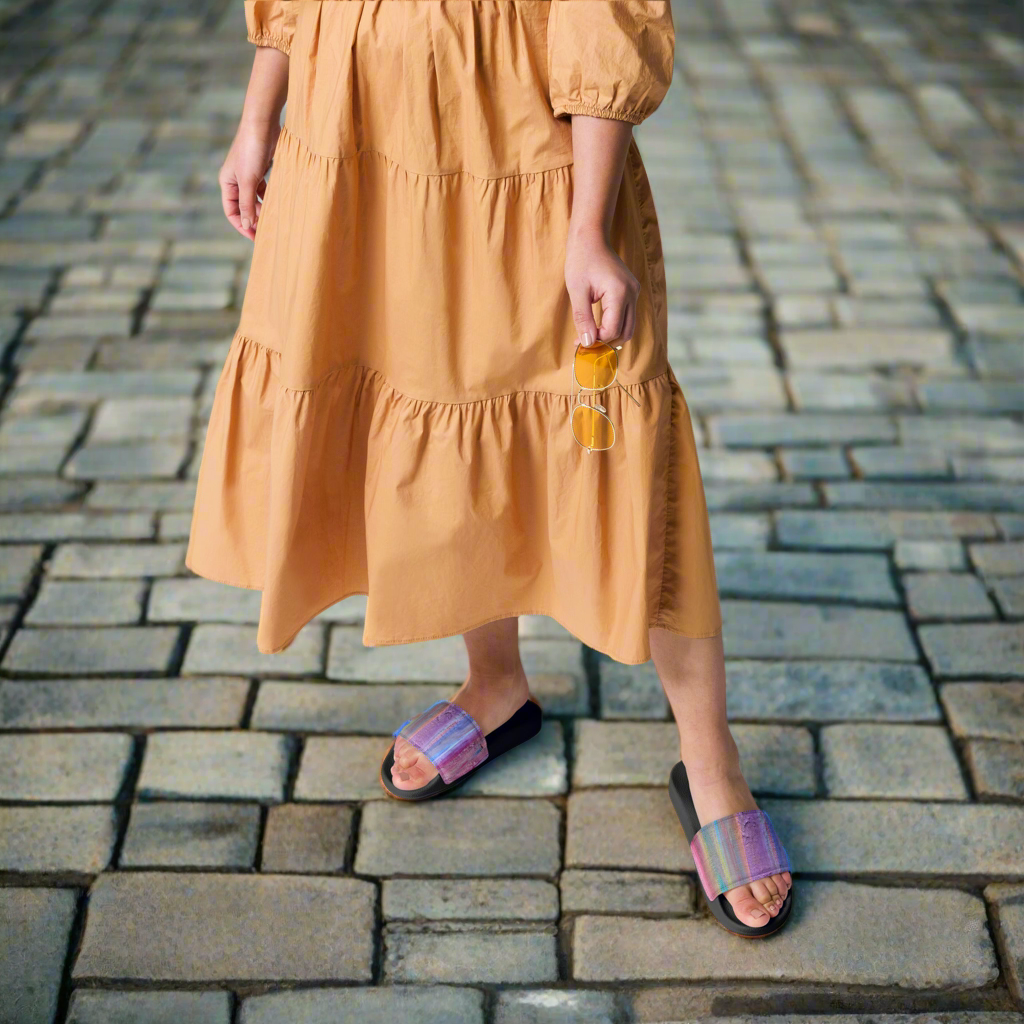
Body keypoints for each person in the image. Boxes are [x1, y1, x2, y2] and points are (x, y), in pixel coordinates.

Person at [188, 0, 793, 937]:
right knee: (437, 407)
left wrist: (588, 226)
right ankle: (497, 685)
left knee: (617, 436)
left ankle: (712, 765)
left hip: (520, 142)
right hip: (355, 132)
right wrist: (258, 114)